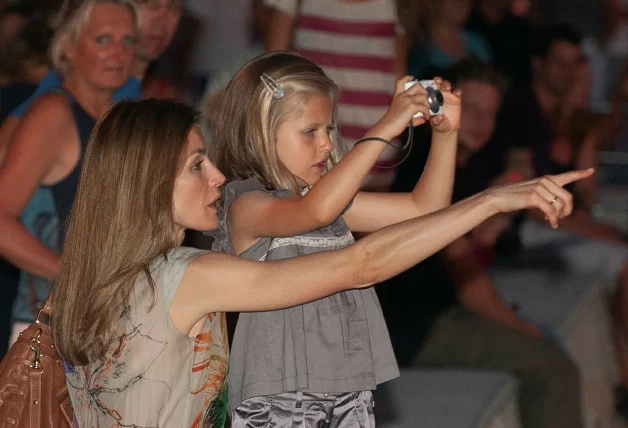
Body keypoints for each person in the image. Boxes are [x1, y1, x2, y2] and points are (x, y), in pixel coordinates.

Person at [54, 97, 588, 427]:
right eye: (197, 165)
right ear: (148, 179)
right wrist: (492, 201)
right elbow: (359, 267)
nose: (216, 175)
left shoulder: (91, 277)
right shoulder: (186, 276)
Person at [208, 51, 592, 426]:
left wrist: (446, 134)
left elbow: (425, 210)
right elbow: (317, 214)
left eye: (329, 129)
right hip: (282, 400)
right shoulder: (248, 205)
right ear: (260, 130)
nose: (326, 144)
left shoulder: (324, 201)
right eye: (310, 131)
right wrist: (387, 125)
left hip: (346, 393)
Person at [379, 59, 584, 428]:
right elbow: (462, 269)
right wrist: (516, 326)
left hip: (432, 312)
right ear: (442, 107)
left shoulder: (462, 166)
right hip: (413, 327)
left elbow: (472, 254)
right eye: (470, 108)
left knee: (550, 337)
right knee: (554, 366)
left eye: (490, 112)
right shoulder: (423, 169)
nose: (481, 121)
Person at [0, 0, 137, 343]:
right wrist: (73, 277)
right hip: (50, 331)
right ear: (68, 46)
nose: (118, 52)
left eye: (128, 41)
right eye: (103, 40)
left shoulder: (122, 119)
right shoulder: (53, 113)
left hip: (107, 323)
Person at [264, 0, 409, 191]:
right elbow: (273, 70)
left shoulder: (397, 5)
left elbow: (399, 73)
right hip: (314, 145)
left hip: (379, 148)